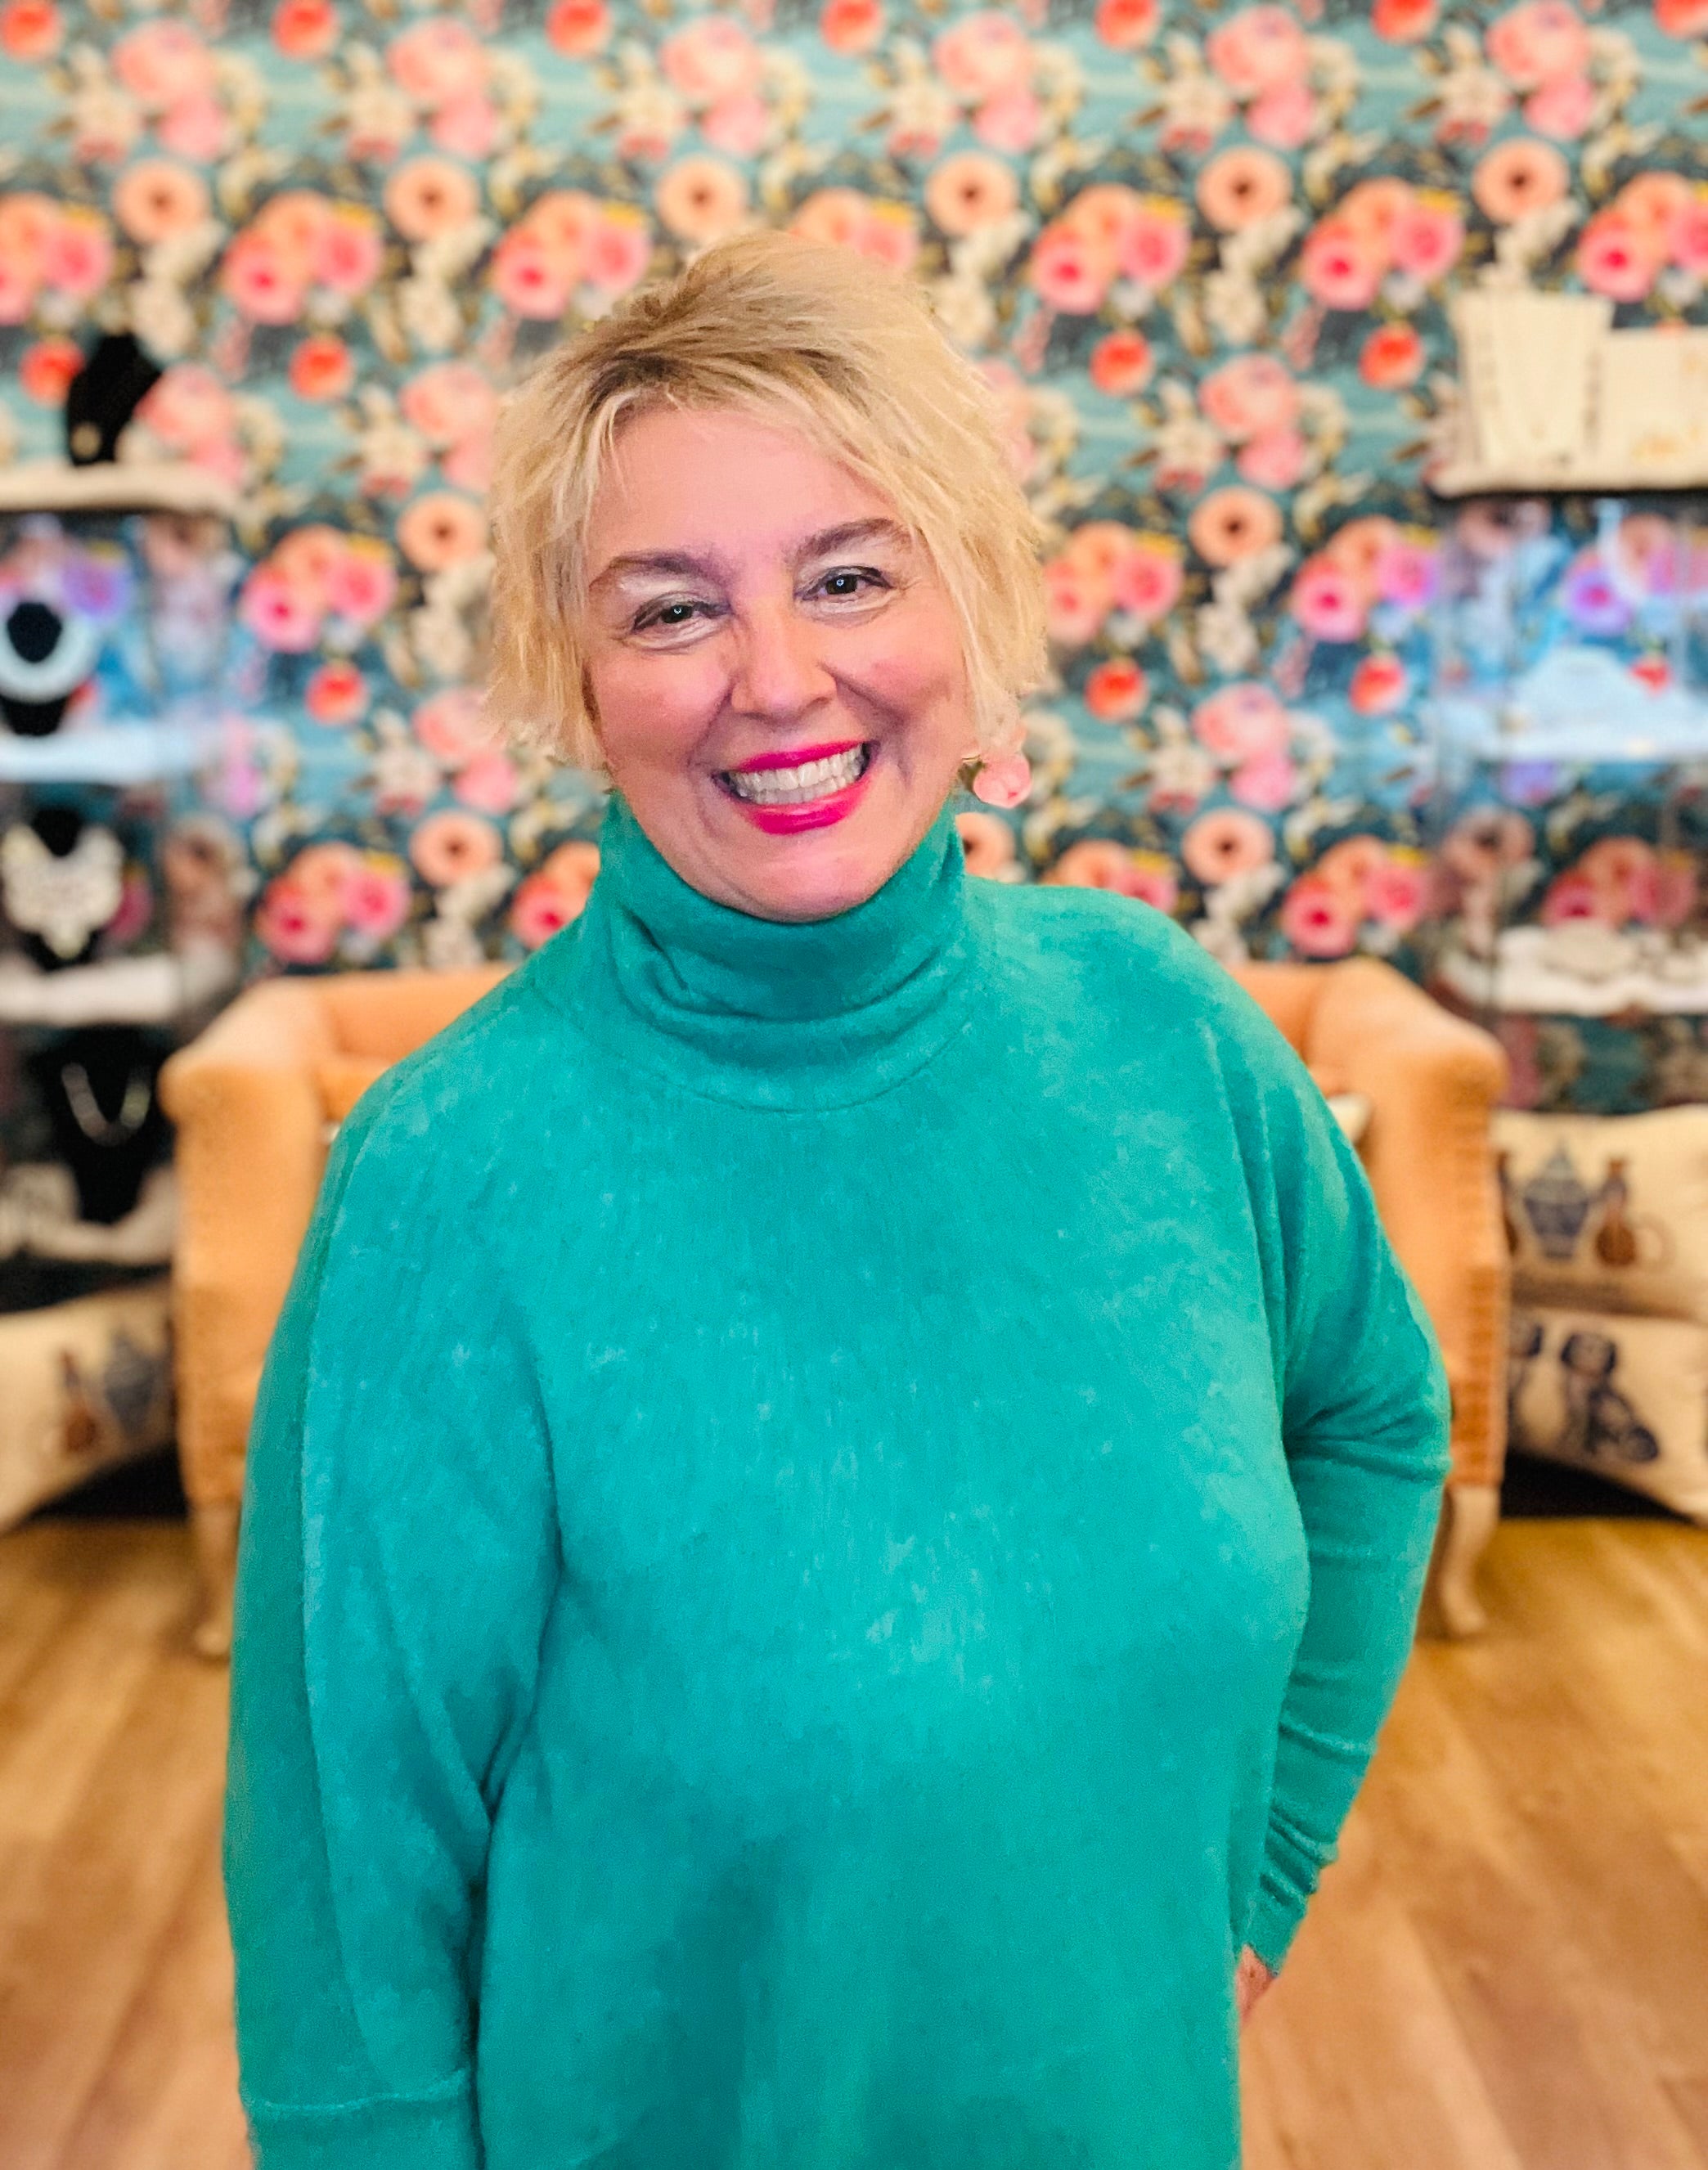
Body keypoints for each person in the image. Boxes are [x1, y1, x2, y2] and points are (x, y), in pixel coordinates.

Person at [224, 228, 1451, 2170]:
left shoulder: (1163, 1032)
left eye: (852, 574)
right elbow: (339, 1877)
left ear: (971, 602)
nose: (778, 679)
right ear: (579, 682)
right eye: (671, 609)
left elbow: (1375, 1414)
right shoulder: (449, 1181)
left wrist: (1260, 1869)